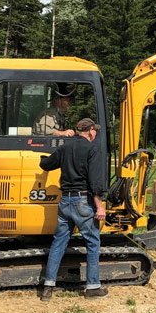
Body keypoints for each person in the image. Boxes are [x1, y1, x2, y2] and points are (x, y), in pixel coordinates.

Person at [38, 118, 107, 301]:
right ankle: (93, 288)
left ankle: (48, 287)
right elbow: (95, 181)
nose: (95, 134)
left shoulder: (65, 148)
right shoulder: (92, 149)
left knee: (59, 243)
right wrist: (99, 206)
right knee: (92, 242)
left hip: (65, 202)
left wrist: (40, 157)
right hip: (82, 201)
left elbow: (46, 165)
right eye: (95, 131)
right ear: (91, 131)